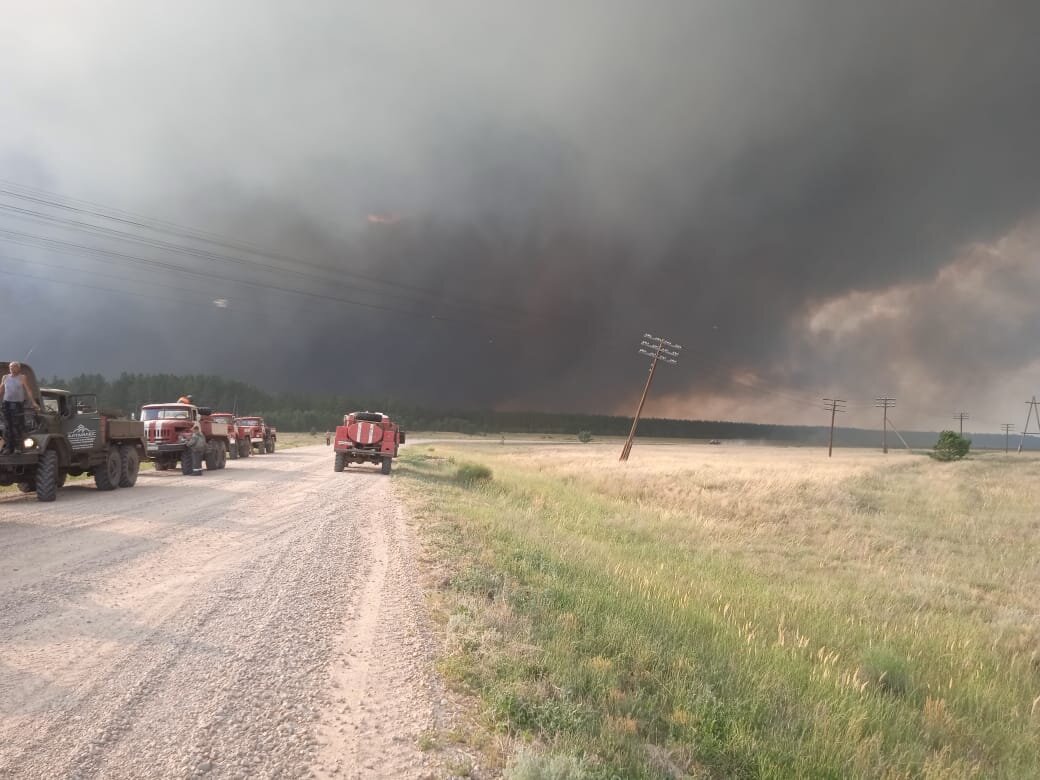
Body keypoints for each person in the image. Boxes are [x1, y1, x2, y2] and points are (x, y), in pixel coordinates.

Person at [1, 362, 40, 455]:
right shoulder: (5, 377)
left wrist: (33, 402)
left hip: (17, 404)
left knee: (17, 426)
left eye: (14, 367)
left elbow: (28, 390)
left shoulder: (22, 377)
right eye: (10, 367)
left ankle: (18, 447)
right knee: (7, 426)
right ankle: (8, 448)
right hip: (6, 403)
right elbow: (1, 389)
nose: (11, 368)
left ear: (18, 368)